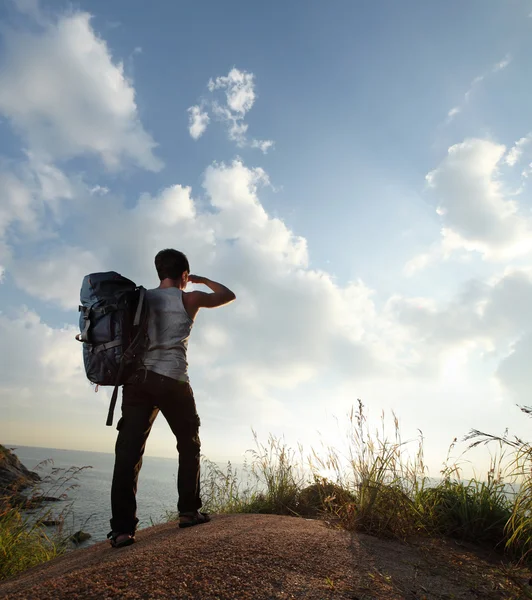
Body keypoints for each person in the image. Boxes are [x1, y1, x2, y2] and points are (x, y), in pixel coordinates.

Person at [108, 249, 236, 548]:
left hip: (137, 383)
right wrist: (200, 280)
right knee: (188, 445)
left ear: (158, 272)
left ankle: (123, 530)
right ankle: (189, 512)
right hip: (174, 381)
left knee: (128, 454)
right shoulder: (190, 298)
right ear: (184, 275)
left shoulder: (140, 299)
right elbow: (228, 294)